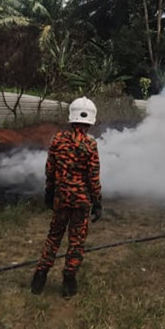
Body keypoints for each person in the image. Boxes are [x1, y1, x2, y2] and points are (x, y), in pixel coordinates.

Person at [31, 96, 103, 298]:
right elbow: (93, 177)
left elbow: (50, 170)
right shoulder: (90, 145)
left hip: (61, 199)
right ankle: (69, 280)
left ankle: (39, 277)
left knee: (54, 237)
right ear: (91, 120)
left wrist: (49, 192)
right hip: (81, 202)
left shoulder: (58, 140)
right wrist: (97, 202)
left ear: (71, 118)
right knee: (76, 241)